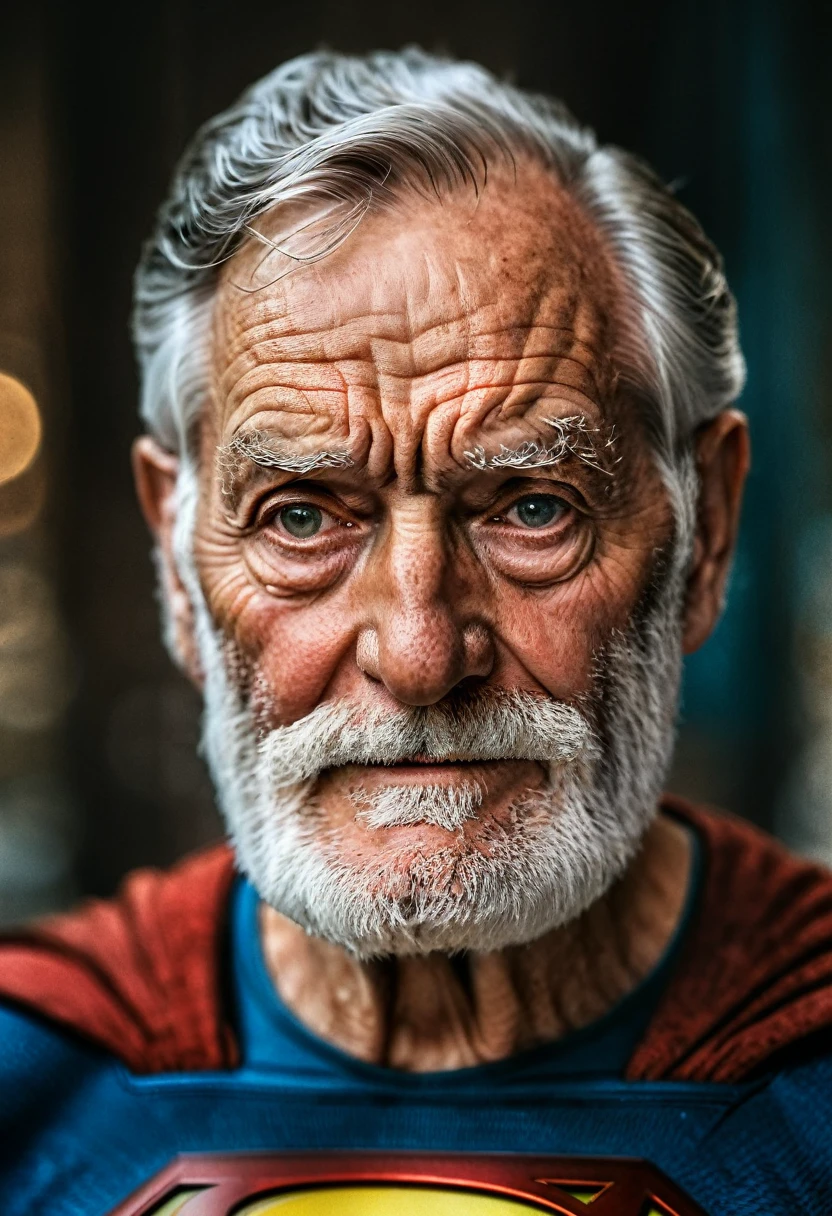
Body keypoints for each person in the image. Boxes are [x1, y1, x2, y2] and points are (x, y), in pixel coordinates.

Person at [2, 47, 832, 1216]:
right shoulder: (35, 1083)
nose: (421, 653)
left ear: (704, 532)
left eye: (532, 507)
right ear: (178, 566)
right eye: (301, 517)